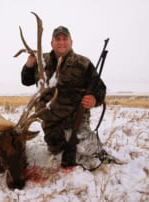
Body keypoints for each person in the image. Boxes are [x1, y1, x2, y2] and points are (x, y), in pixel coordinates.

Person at [21, 26, 107, 168]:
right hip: (51, 122)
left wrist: (94, 99)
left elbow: (100, 88)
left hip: (75, 119)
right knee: (57, 152)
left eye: (64, 39)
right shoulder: (41, 60)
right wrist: (29, 65)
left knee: (89, 150)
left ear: (71, 42)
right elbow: (26, 80)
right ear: (52, 43)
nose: (61, 42)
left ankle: (97, 149)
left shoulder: (83, 63)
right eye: (58, 39)